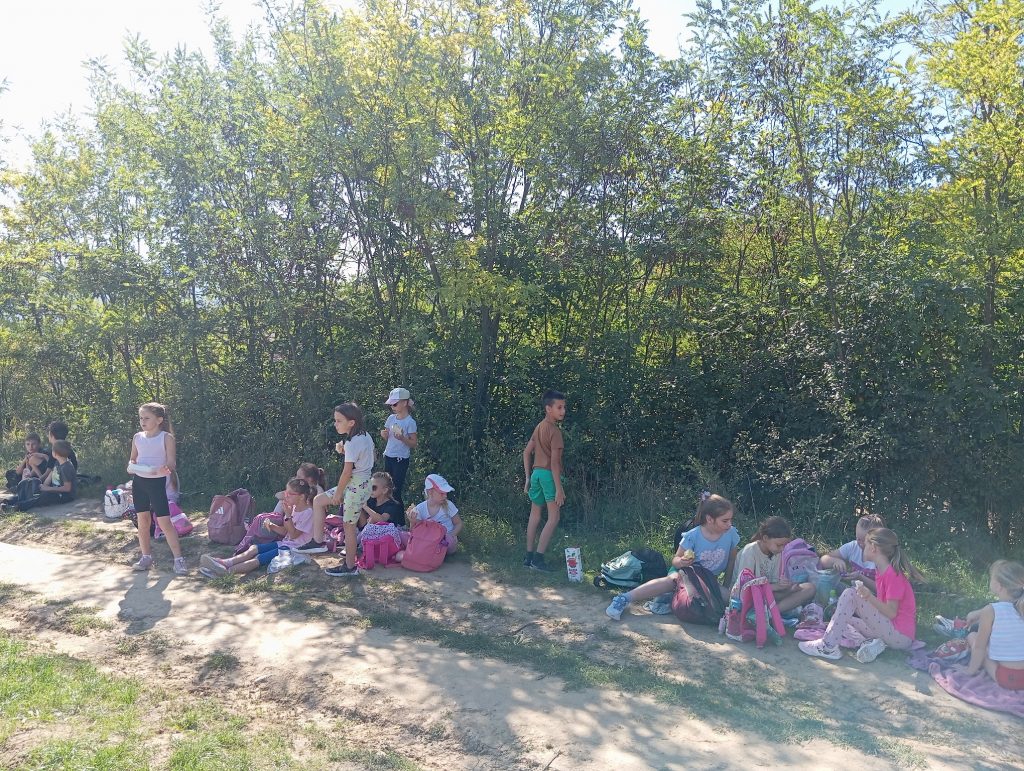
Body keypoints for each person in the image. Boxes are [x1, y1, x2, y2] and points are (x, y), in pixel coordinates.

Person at [606, 494, 739, 620]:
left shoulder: (731, 533)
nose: (729, 524)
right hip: (685, 573)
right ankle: (624, 598)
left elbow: (732, 560)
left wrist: (726, 586)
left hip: (708, 581)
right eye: (725, 521)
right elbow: (675, 561)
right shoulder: (693, 536)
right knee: (672, 580)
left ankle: (674, 597)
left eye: (731, 520)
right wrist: (683, 562)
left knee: (730, 599)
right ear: (710, 519)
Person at [799, 527, 920, 663]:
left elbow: (891, 613)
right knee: (841, 620)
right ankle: (868, 643)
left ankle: (828, 647)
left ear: (873, 548)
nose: (862, 547)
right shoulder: (882, 570)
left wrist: (868, 597)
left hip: (900, 636)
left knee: (850, 594)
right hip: (889, 629)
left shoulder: (893, 575)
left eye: (866, 544)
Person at [297, 403, 375, 578]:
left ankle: (350, 566)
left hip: (356, 486)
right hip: (359, 482)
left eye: (339, 421)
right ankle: (318, 541)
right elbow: (365, 458)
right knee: (318, 501)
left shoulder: (352, 443)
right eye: (335, 420)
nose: (335, 424)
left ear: (351, 422)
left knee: (349, 526)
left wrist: (339, 493)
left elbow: (347, 472)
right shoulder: (364, 436)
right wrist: (345, 451)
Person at [199, 478, 316, 577]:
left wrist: (288, 515)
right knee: (254, 548)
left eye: (290, 494)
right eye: (286, 493)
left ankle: (226, 572)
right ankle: (224, 562)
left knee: (259, 558)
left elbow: (294, 535)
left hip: (296, 549)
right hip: (285, 544)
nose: (286, 496)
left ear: (301, 497)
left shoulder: (308, 513)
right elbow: (286, 532)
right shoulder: (294, 508)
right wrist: (272, 526)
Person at [128, 402, 187, 576]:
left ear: (159, 420)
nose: (143, 421)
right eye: (141, 418)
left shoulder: (166, 438)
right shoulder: (137, 437)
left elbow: (171, 462)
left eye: (147, 418)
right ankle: (146, 557)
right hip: (139, 483)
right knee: (143, 521)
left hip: (157, 483)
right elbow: (133, 459)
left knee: (164, 522)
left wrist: (163, 469)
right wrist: (132, 465)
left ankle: (178, 559)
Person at [731, 516, 816, 615]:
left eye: (784, 545)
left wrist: (785, 586)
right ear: (765, 538)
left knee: (809, 588)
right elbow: (745, 588)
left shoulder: (776, 552)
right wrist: (776, 587)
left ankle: (769, 614)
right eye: (779, 545)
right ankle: (767, 613)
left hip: (766, 595)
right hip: (745, 598)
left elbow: (773, 582)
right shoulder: (750, 551)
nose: (782, 549)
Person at [960, 560, 1024, 690]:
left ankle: (973, 668)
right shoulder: (1020, 609)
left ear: (998, 586)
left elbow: (979, 647)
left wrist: (969, 671)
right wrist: (979, 614)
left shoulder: (990, 611)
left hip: (1007, 678)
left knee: (973, 637)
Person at [522, 390, 566, 572]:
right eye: (559, 407)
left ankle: (528, 557)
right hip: (548, 476)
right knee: (554, 517)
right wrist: (559, 489)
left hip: (536, 474)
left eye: (564, 407)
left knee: (535, 515)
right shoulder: (554, 431)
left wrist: (527, 477)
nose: (563, 411)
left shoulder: (539, 427)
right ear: (549, 408)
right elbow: (554, 463)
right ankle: (538, 559)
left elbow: (526, 452)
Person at [819, 513, 885, 591]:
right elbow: (823, 560)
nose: (861, 543)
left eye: (865, 541)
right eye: (858, 539)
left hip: (873, 596)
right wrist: (835, 561)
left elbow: (884, 590)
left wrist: (861, 577)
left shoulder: (883, 558)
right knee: (823, 582)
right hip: (854, 591)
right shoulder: (853, 547)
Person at [405, 474, 462, 556]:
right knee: (406, 537)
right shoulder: (420, 508)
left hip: (445, 539)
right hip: (429, 540)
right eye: (441, 493)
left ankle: (434, 552)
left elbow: (458, 523)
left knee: (449, 542)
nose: (445, 496)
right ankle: (431, 552)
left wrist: (452, 535)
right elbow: (414, 532)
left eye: (446, 493)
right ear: (430, 492)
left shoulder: (448, 505)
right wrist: (412, 521)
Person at [380, 387, 418, 508]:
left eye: (395, 404)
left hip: (400, 459)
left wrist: (402, 438)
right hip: (389, 456)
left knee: (396, 490)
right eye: (391, 404)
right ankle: (387, 515)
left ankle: (399, 517)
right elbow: (387, 436)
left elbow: (414, 443)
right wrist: (384, 434)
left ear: (405, 403)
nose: (392, 406)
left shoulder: (410, 422)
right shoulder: (391, 418)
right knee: (386, 488)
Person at [15, 440, 77, 511]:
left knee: (42, 498)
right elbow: (50, 476)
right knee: (34, 490)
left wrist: (48, 488)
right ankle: (10, 501)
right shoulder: (57, 462)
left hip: (64, 496)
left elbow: (67, 488)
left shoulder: (66, 467)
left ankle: (18, 506)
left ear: (55, 453)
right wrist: (43, 486)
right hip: (54, 491)